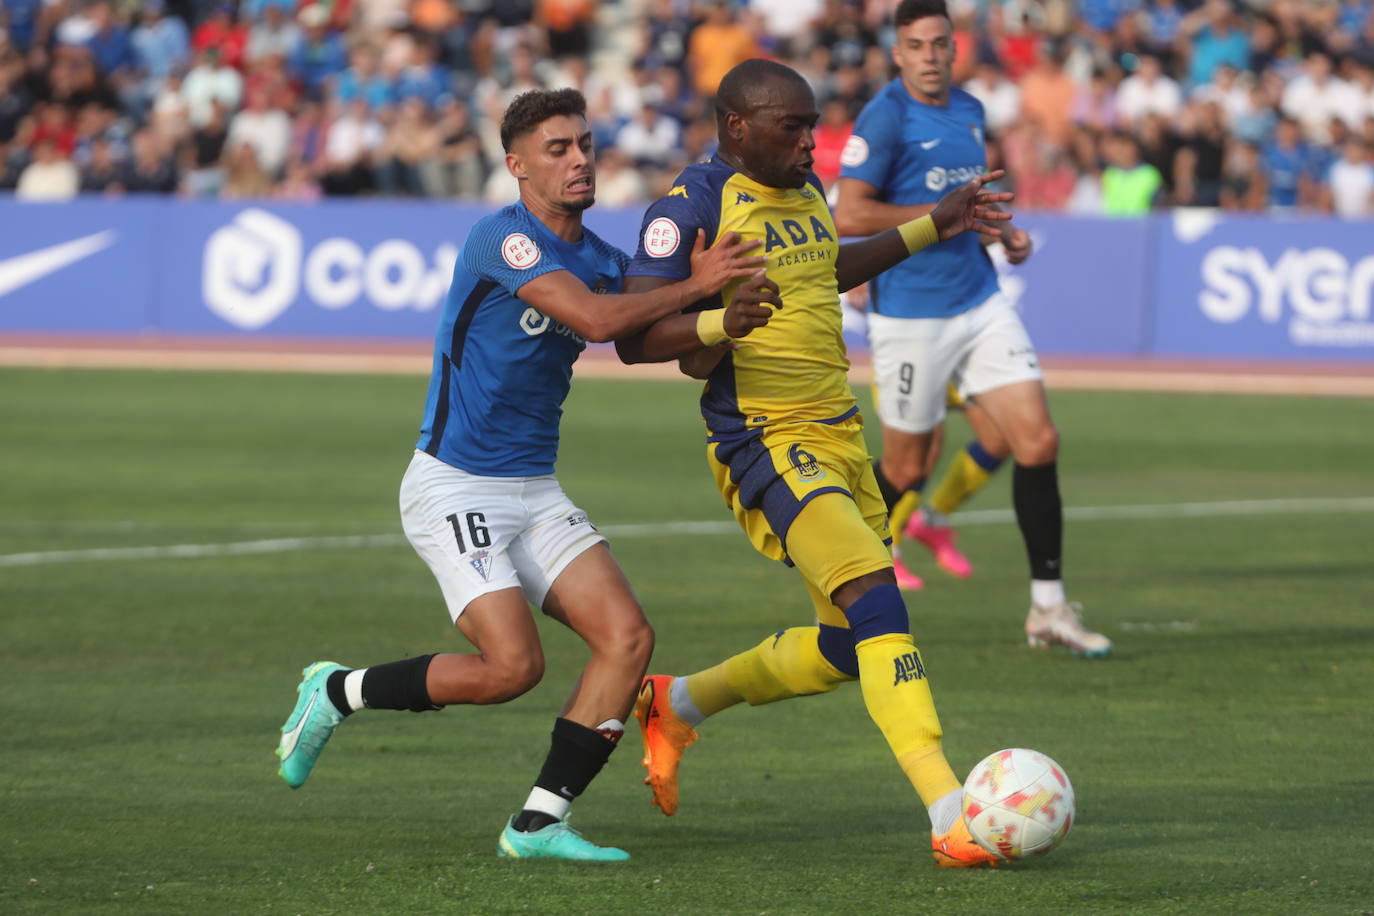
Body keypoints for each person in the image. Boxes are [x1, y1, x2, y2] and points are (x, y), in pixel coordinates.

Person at [274, 88, 776, 863]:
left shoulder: (606, 260)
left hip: (533, 488)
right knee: (513, 669)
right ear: (517, 166)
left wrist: (724, 323)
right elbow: (602, 323)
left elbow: (653, 349)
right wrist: (701, 281)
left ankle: (538, 824)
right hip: (454, 484)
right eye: (557, 149)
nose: (578, 160)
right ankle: (338, 690)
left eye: (583, 144)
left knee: (627, 637)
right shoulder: (501, 241)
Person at [615, 57, 1013, 868]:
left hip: (837, 432)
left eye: (812, 126)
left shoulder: (805, 193)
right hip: (764, 438)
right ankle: (950, 815)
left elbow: (827, 271)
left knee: (844, 650)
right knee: (878, 604)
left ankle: (677, 702)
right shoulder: (690, 206)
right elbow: (629, 336)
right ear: (737, 126)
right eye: (791, 127)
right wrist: (722, 323)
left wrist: (933, 225)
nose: (811, 142)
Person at [831, 0, 1111, 657]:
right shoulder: (887, 116)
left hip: (979, 300)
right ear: (898, 53)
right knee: (903, 466)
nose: (930, 55)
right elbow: (850, 211)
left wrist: (1003, 232)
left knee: (1038, 440)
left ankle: (1048, 609)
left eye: (939, 44)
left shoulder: (970, 110)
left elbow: (969, 204)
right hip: (910, 315)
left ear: (954, 49)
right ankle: (838, 574)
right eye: (917, 45)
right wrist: (939, 215)